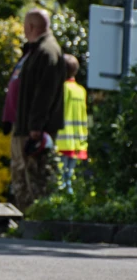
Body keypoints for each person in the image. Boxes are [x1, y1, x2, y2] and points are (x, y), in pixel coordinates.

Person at [8, 9, 66, 209]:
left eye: (25, 26)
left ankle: (33, 217)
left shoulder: (47, 52)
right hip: (23, 125)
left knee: (33, 176)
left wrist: (36, 127)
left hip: (33, 130)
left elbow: (45, 93)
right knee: (21, 174)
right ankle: (25, 217)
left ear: (31, 27)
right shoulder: (35, 50)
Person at [55, 54, 87, 195]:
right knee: (70, 179)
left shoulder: (61, 89)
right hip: (77, 142)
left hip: (61, 142)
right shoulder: (80, 91)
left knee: (59, 182)